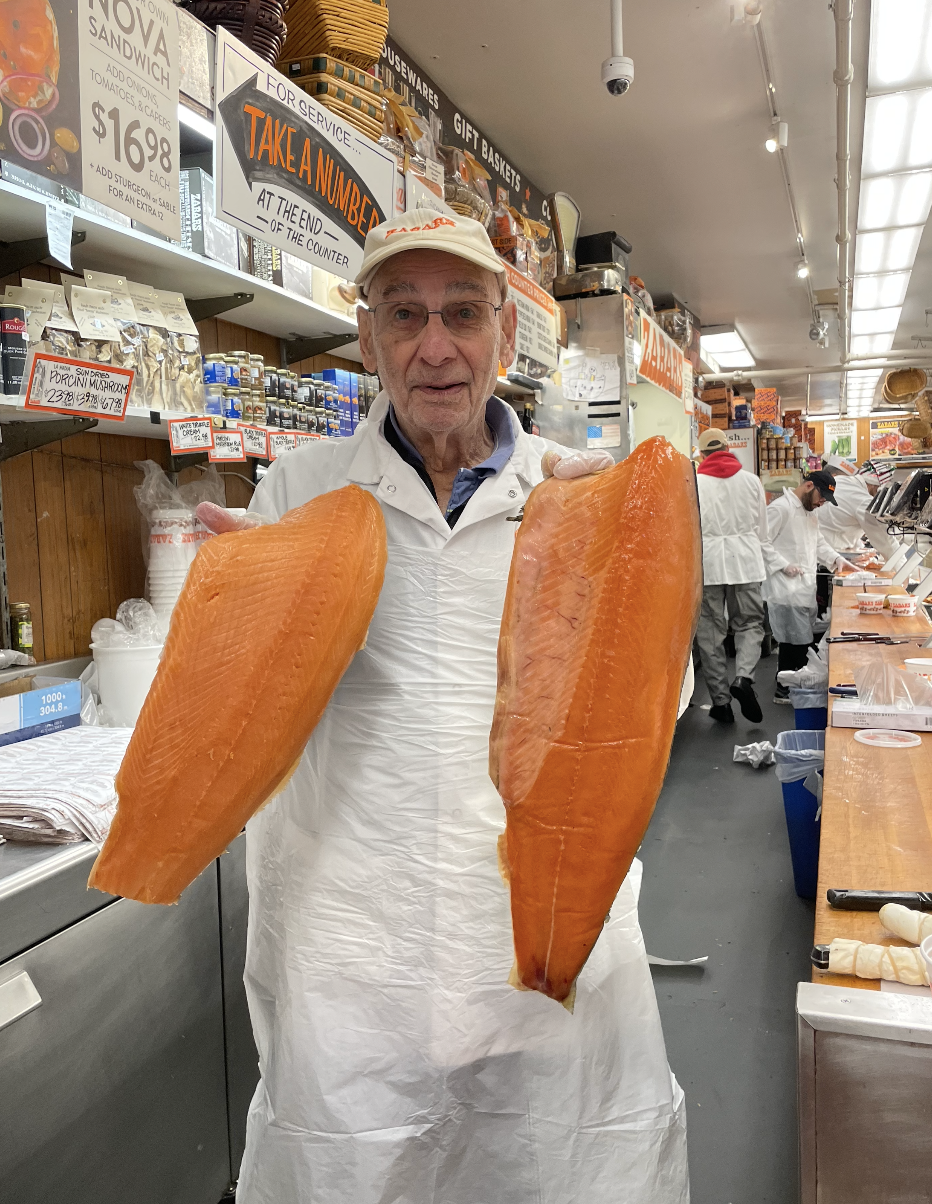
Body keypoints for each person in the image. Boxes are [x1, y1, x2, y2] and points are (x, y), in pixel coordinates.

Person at [200, 209, 689, 1204]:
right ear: (368, 335)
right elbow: (245, 716)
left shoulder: (574, 495)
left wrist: (632, 583)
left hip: (542, 944)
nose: (434, 348)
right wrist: (226, 618)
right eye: (404, 314)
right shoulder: (298, 491)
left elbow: (654, 706)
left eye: (461, 314)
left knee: (550, 1163)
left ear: (505, 337)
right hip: (352, 950)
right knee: (353, 1165)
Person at [694, 428, 779, 724]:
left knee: (710, 632)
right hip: (746, 561)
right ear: (729, 449)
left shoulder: (694, 483)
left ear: (701, 454)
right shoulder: (751, 481)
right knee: (750, 625)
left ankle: (721, 703)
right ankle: (743, 678)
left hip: (708, 565)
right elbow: (762, 531)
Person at [762, 471, 854, 703]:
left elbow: (818, 542)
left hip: (803, 587)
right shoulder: (780, 509)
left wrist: (836, 560)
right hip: (785, 589)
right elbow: (760, 542)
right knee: (794, 641)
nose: (822, 503)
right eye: (821, 497)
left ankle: (789, 684)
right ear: (809, 485)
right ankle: (784, 691)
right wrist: (783, 565)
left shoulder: (808, 511)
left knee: (800, 639)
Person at [817, 459, 901, 562]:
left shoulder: (841, 481)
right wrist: (904, 573)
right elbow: (887, 543)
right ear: (877, 488)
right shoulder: (863, 500)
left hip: (817, 552)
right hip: (827, 560)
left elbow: (840, 523)